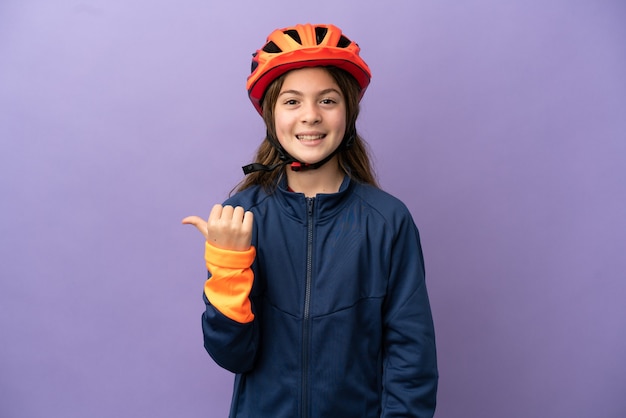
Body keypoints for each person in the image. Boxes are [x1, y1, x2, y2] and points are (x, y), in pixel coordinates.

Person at [182, 23, 438, 418]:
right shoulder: (245, 217)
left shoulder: (388, 220)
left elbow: (412, 361)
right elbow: (233, 354)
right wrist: (228, 269)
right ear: (271, 114)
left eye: (328, 101)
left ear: (348, 110)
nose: (311, 116)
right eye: (292, 102)